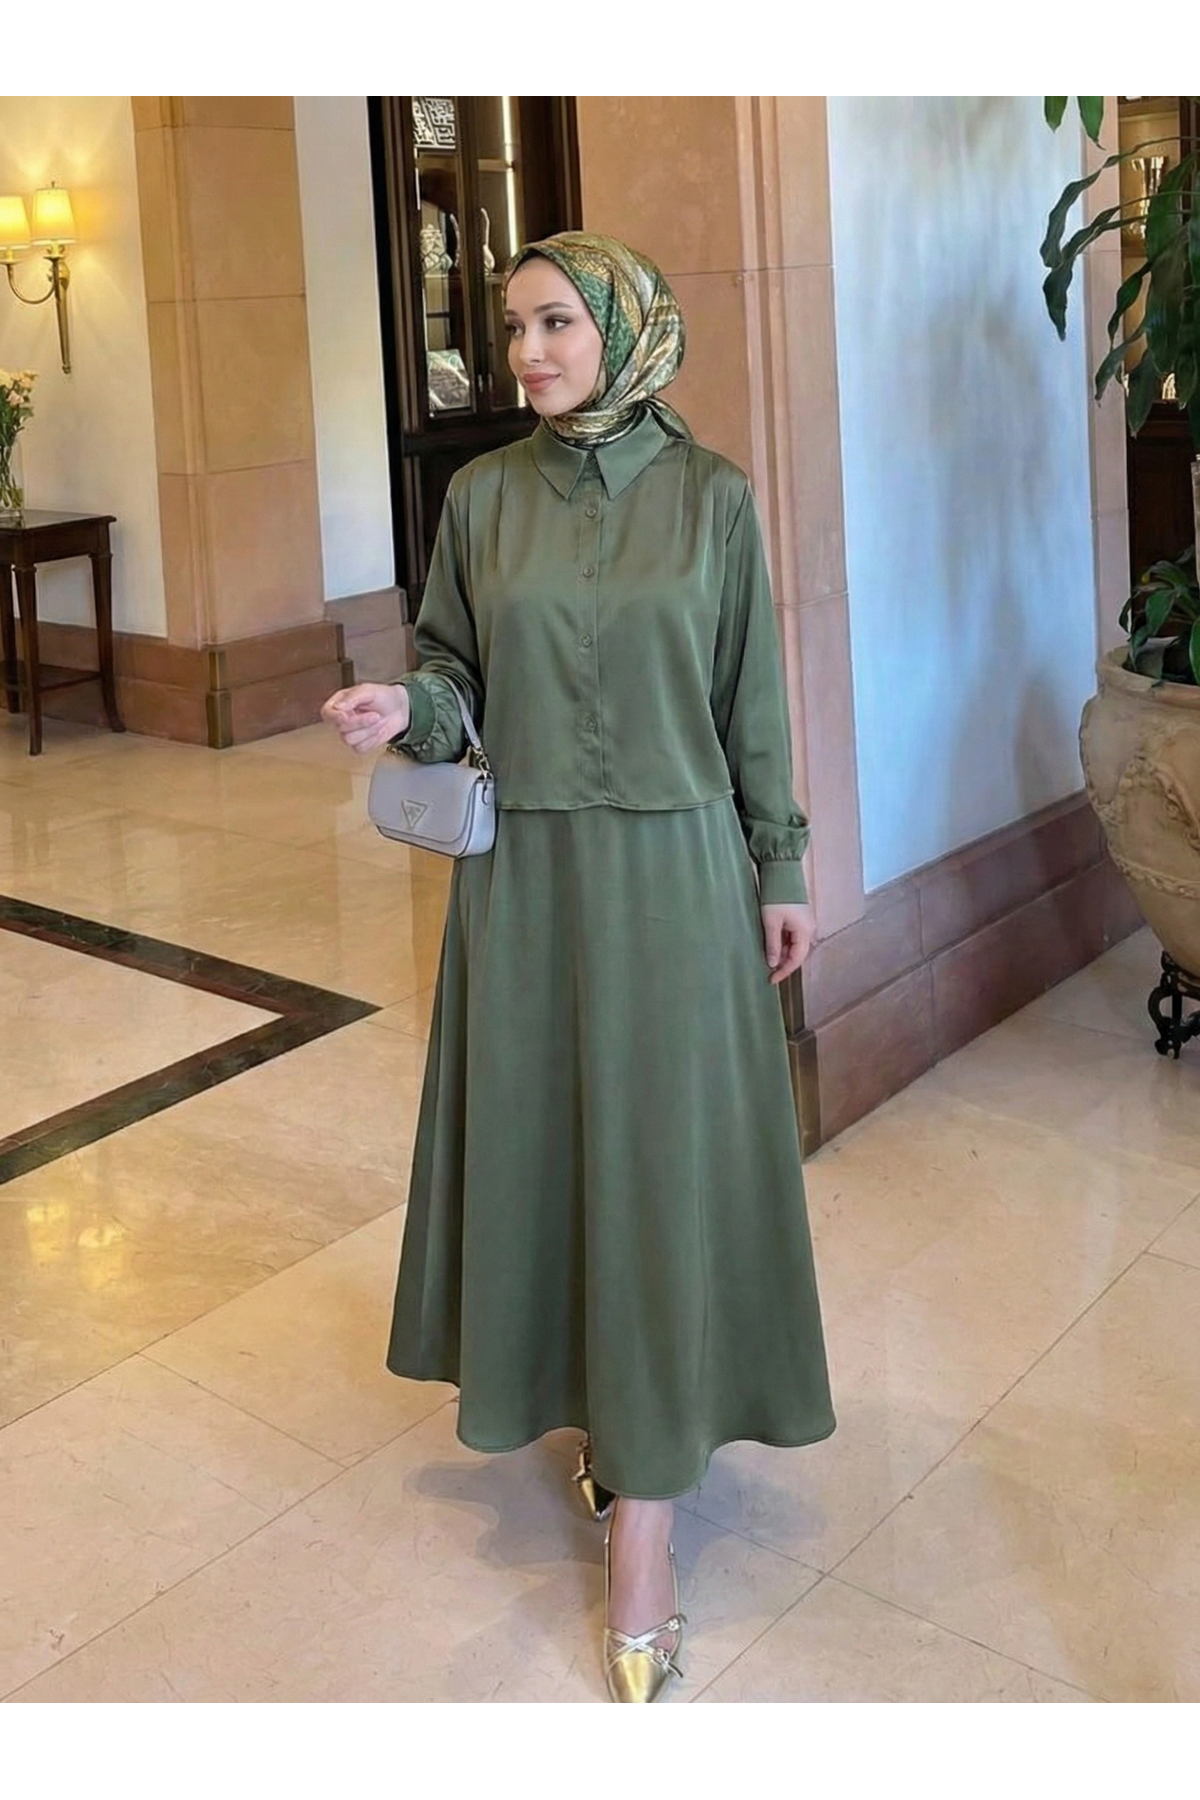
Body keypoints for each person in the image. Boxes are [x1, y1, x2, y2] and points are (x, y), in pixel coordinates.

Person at [323, 232, 834, 1703]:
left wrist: (782, 863)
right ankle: (604, 1424)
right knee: (555, 1158)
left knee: (659, 1173)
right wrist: (405, 709)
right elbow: (454, 672)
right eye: (513, 328)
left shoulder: (714, 497)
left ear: (624, 326)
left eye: (556, 323)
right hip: (527, 887)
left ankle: (648, 1529)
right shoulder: (482, 499)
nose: (529, 353)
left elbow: (751, 701)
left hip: (676, 880)